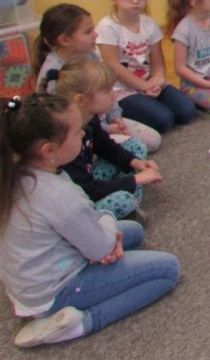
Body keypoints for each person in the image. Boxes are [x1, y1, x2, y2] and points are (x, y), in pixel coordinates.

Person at [0, 93, 180, 349]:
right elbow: (100, 246)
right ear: (48, 150)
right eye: (76, 133)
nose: (84, 135)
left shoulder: (17, 174)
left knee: (133, 230)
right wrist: (106, 237)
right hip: (57, 290)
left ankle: (101, 247)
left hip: (35, 276)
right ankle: (83, 322)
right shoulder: (57, 193)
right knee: (168, 270)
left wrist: (105, 240)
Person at [35, 3, 161, 152]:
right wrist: (106, 129)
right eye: (88, 32)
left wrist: (115, 116)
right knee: (134, 149)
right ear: (65, 40)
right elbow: (63, 125)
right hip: (76, 133)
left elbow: (108, 89)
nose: (95, 34)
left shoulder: (90, 55)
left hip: (102, 119)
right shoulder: (54, 74)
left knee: (153, 140)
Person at [53, 58, 161, 221]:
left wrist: (136, 163)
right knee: (123, 201)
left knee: (135, 146)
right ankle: (127, 200)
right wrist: (136, 180)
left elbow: (106, 147)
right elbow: (87, 190)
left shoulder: (89, 117)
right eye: (106, 91)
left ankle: (125, 189)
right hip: (77, 197)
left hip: (88, 175)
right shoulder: (67, 139)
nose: (114, 95)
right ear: (81, 99)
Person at [96, 0, 196, 133]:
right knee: (164, 120)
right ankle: (118, 114)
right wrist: (143, 86)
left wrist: (157, 79)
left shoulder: (149, 25)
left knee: (187, 110)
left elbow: (157, 61)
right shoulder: (108, 27)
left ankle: (148, 103)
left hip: (148, 81)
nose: (135, 1)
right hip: (121, 88)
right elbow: (113, 66)